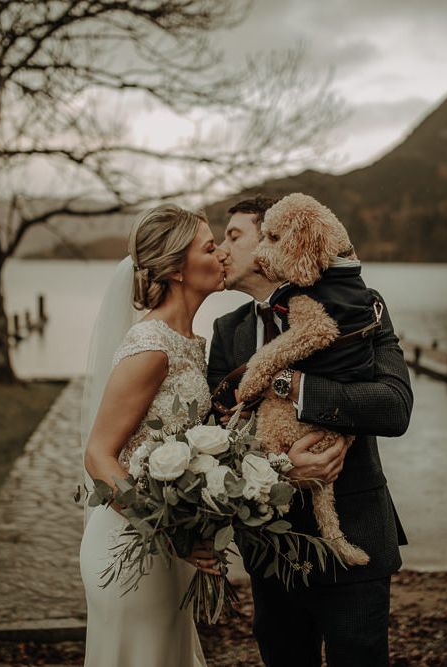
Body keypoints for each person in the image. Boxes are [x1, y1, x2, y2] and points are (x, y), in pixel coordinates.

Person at [208, 195, 413, 667]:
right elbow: (217, 430)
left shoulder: (361, 304)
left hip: (356, 537)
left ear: (272, 242)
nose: (221, 250)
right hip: (270, 553)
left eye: (233, 237)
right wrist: (280, 470)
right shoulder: (227, 331)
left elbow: (395, 407)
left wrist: (291, 384)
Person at [79, 204, 226, 667]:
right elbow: (99, 456)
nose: (221, 253)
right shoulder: (151, 348)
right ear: (178, 267)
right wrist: (170, 534)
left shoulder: (190, 342)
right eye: (209, 246)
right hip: (131, 546)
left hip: (164, 548)